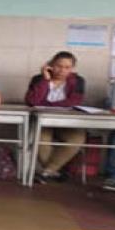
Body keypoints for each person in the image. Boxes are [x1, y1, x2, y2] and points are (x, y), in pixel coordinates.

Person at [24, 51, 87, 182]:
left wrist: (46, 104)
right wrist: (45, 80)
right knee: (40, 139)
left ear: (72, 69)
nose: (62, 70)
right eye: (58, 66)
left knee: (77, 139)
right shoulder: (38, 79)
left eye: (67, 67)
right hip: (42, 122)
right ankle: (54, 172)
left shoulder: (77, 81)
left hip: (68, 123)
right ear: (50, 65)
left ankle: (48, 171)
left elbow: (74, 102)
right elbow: (32, 101)